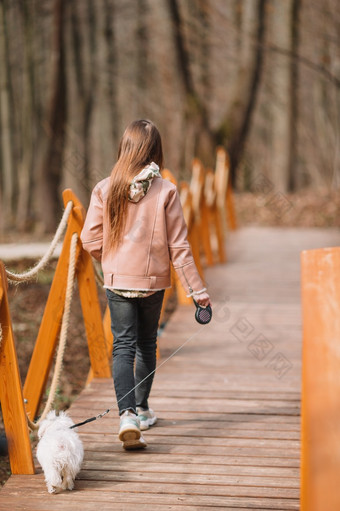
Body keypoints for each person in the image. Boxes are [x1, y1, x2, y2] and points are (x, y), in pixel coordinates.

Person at [80, 119, 211, 450]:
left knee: (122, 345)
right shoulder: (166, 190)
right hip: (153, 283)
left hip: (117, 281)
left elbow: (88, 239)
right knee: (146, 344)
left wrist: (109, 259)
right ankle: (141, 407)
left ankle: (126, 416)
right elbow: (179, 247)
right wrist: (198, 291)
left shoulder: (104, 188)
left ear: (125, 147)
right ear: (156, 150)